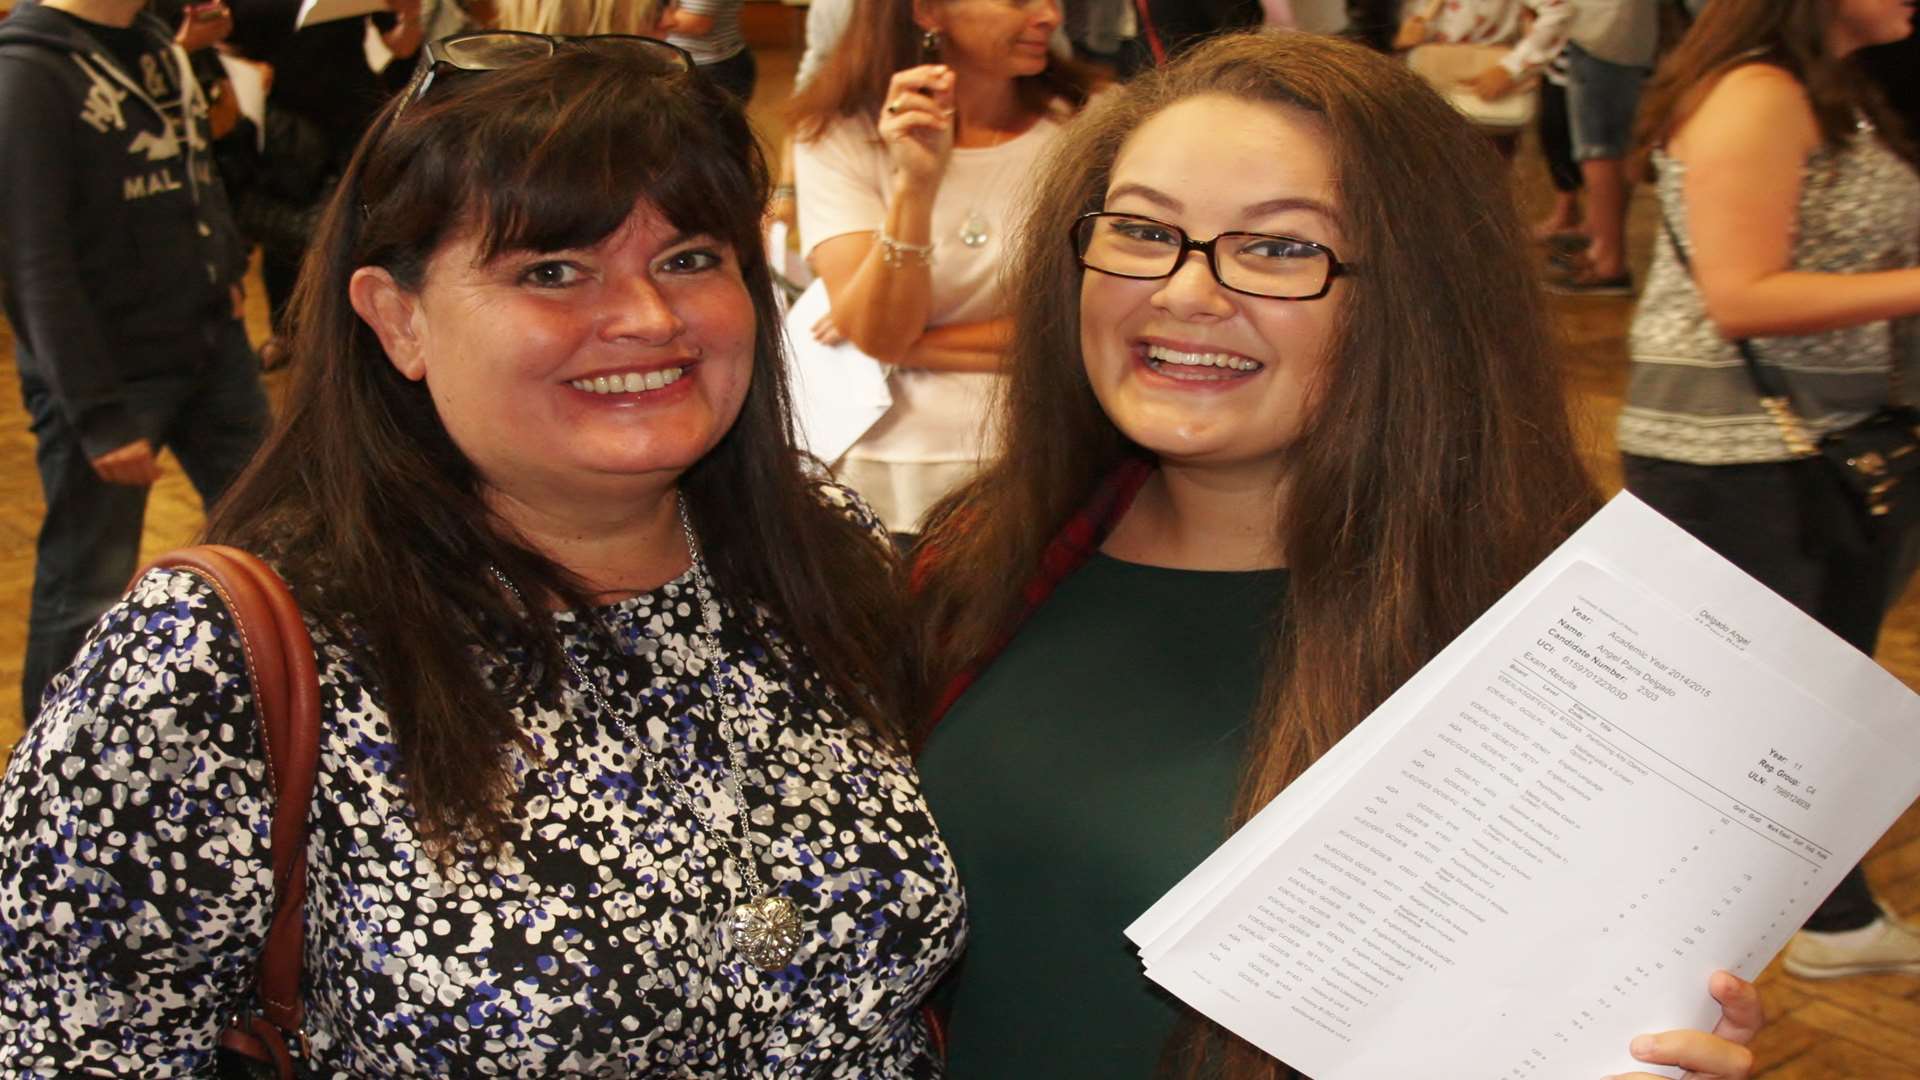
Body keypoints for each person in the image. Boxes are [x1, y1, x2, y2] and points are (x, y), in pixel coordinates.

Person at [0, 34, 963, 1074]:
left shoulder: (826, 556)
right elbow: (73, 1044)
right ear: (397, 319)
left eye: (689, 259)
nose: (647, 318)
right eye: (552, 270)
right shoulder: (214, 660)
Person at [911, 29, 1763, 1078]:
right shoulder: (975, 562)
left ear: (1415, 302)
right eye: (1142, 230)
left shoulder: (1547, 662)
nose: (1183, 292)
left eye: (1279, 249)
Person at [1619, 0, 1920, 979]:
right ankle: (1663, 955)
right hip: (1736, 451)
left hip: (1805, 440)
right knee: (1753, 717)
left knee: (1805, 707)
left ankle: (1828, 920)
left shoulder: (1826, 90)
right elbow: (1742, 295)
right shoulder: (1758, 92)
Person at [0, 0, 269, 725]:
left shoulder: (153, 41)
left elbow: (190, 168)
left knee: (274, 529)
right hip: (112, 376)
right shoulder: (26, 74)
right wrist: (96, 414)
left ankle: (264, 711)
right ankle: (49, 766)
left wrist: (219, 266)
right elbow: (33, 264)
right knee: (85, 580)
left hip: (212, 348)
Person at [789, 0, 1093, 540]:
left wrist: (913, 347)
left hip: (1047, 455)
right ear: (929, 11)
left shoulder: (1085, 128)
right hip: (884, 469)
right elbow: (883, 331)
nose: (1049, 16)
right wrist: (916, 186)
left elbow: (1091, 327)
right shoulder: (838, 137)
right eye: (1019, 0)